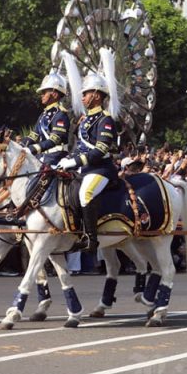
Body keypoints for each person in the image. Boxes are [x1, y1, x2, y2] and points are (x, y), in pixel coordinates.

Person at [56, 72, 119, 253]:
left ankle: (91, 239)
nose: (82, 97)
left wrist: (75, 162)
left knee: (86, 193)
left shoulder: (105, 120)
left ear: (97, 96)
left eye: (86, 93)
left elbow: (100, 150)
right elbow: (81, 147)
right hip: (85, 169)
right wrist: (69, 159)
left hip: (101, 169)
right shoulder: (86, 120)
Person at [22, 71, 71, 165]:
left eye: (44, 92)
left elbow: (54, 140)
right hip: (42, 156)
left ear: (54, 94)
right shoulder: (43, 115)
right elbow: (33, 136)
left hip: (55, 158)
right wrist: (19, 145)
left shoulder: (60, 115)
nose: (42, 95)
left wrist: (32, 149)